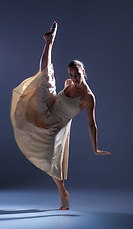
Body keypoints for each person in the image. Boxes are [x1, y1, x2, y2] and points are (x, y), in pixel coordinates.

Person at [10, 21, 111, 211]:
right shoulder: (68, 83)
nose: (73, 79)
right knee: (43, 78)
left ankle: (63, 193)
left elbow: (92, 125)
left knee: (49, 156)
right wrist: (55, 91)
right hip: (51, 105)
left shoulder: (88, 98)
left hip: (59, 123)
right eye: (71, 75)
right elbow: (60, 94)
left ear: (83, 72)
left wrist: (95, 148)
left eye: (77, 75)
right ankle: (49, 42)